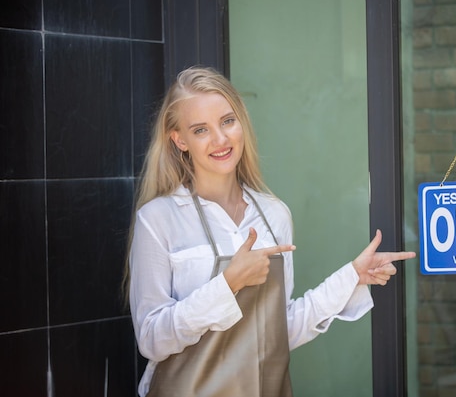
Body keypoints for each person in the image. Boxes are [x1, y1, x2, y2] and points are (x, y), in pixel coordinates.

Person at [125, 66, 416, 397]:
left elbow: (279, 330)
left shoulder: (274, 214)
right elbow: (151, 338)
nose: (220, 139)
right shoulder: (158, 219)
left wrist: (351, 277)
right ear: (179, 140)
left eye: (227, 121)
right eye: (201, 130)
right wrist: (228, 284)